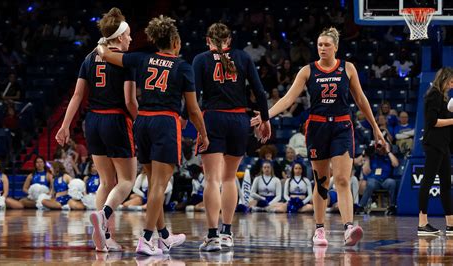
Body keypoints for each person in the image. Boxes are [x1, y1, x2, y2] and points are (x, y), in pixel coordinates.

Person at [252, 27, 386, 246]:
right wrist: (266, 116)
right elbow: (287, 99)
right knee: (321, 182)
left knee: (342, 179)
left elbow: (361, 100)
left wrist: (375, 127)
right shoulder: (307, 71)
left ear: (336, 47)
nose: (322, 48)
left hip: (342, 127)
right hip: (317, 128)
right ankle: (320, 230)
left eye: (326, 45)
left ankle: (348, 227)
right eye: (319, 45)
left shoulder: (348, 68)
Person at [97, 15, 209, 256]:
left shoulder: (143, 58)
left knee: (153, 183)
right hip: (165, 122)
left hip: (142, 121)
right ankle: (146, 239)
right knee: (159, 184)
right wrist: (203, 134)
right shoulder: (183, 66)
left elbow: (106, 54)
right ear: (176, 42)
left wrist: (101, 42)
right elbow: (193, 109)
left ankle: (164, 236)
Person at [55, 8, 138, 252]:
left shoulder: (89, 58)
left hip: (92, 121)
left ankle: (103, 237)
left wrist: (65, 125)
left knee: (105, 181)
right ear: (119, 37)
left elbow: (78, 95)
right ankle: (104, 218)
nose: (131, 39)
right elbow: (130, 101)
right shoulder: (125, 60)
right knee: (126, 180)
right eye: (129, 35)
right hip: (116, 120)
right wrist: (141, 122)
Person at [191, 22, 270, 251]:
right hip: (238, 120)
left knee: (212, 179)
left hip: (213, 118)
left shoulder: (201, 59)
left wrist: (189, 118)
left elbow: (192, 96)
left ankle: (213, 235)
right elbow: (259, 91)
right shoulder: (242, 57)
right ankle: (227, 232)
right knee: (228, 178)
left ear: (208, 40)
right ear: (229, 40)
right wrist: (264, 119)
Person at [418, 67, 453, 236]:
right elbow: (432, 122)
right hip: (433, 144)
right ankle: (422, 223)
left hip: (443, 145)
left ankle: (451, 224)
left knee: (446, 184)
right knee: (427, 181)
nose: (452, 85)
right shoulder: (434, 94)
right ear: (444, 79)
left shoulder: (444, 97)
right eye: (451, 82)